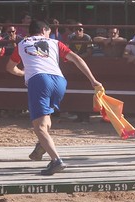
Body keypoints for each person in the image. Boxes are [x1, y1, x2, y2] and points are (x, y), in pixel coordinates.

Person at [6, 19, 102, 175]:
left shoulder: (22, 44)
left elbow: (10, 67)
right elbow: (77, 59)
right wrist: (93, 80)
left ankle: (56, 160)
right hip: (59, 81)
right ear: (44, 30)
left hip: (39, 80)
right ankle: (42, 144)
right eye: (49, 31)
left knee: (39, 127)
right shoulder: (55, 43)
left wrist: (23, 73)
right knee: (46, 118)